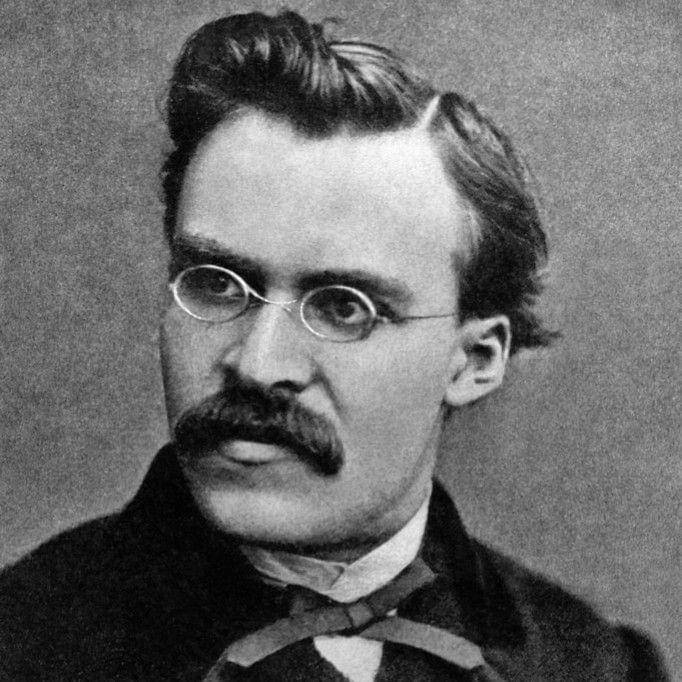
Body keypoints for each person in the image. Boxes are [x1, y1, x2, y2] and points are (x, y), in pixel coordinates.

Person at [0, 10, 669, 681]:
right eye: (218, 286)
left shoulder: (595, 665)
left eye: (345, 308)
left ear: (474, 360)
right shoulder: (26, 641)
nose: (258, 364)